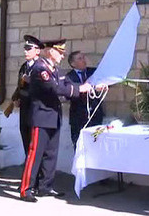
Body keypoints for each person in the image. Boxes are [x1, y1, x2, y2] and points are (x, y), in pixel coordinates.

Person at [19, 39, 92, 203]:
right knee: (34, 154)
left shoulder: (53, 69)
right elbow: (55, 88)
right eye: (60, 52)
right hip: (41, 117)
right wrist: (80, 89)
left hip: (53, 116)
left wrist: (87, 86)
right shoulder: (40, 69)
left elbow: (64, 83)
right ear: (50, 51)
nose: (62, 55)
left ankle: (45, 186)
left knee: (51, 154)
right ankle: (26, 189)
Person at [66, 51, 104, 150]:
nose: (84, 60)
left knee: (96, 143)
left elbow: (107, 81)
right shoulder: (68, 77)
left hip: (95, 115)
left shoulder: (94, 72)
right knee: (79, 145)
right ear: (73, 64)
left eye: (83, 57)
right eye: (80, 58)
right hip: (78, 118)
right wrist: (84, 89)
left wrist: (102, 86)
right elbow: (68, 94)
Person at [12, 35, 43, 155]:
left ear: (37, 51)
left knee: (35, 142)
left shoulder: (41, 66)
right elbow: (20, 85)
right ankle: (28, 167)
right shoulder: (24, 66)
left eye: (29, 48)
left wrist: (30, 80)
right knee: (25, 137)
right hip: (24, 108)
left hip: (36, 109)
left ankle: (36, 171)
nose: (26, 51)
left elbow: (43, 87)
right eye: (25, 48)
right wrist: (16, 98)